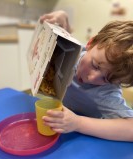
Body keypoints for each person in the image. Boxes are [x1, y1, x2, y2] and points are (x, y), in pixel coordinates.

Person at [40, 10, 133, 142]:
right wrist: (63, 17)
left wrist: (78, 123)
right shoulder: (75, 53)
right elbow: (64, 38)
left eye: (105, 79)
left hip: (82, 138)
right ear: (91, 43)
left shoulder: (106, 92)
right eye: (95, 65)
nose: (92, 78)